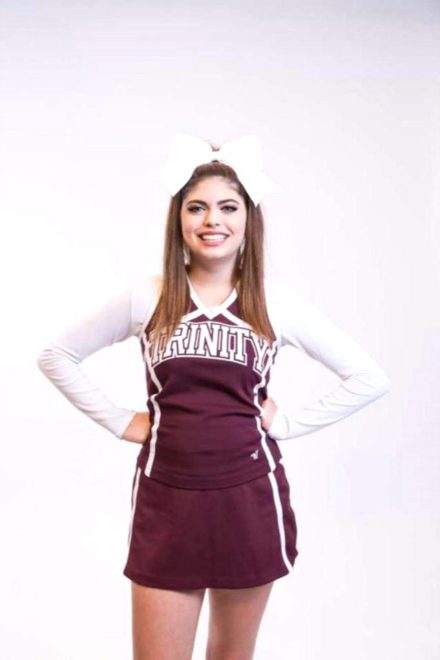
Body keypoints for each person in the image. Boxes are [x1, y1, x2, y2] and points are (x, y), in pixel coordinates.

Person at [36, 133, 391, 660]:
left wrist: (287, 425)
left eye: (228, 207)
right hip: (166, 500)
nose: (212, 220)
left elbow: (368, 377)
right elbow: (57, 356)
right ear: (178, 219)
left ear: (249, 219)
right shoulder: (149, 295)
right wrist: (120, 421)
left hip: (248, 499)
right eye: (196, 207)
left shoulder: (274, 302)